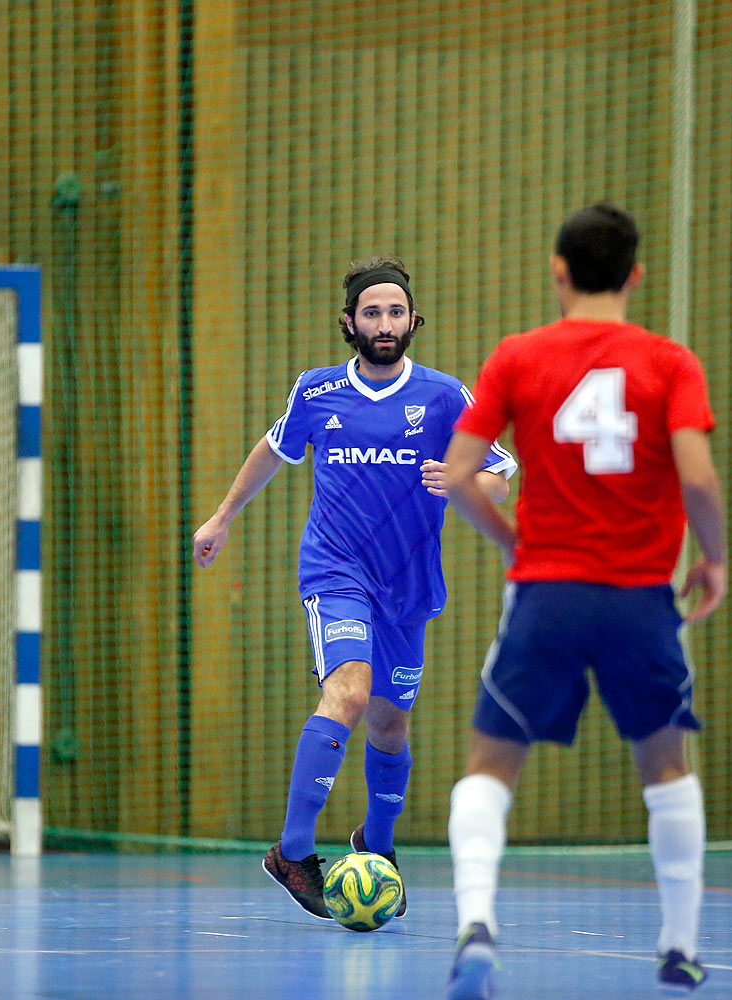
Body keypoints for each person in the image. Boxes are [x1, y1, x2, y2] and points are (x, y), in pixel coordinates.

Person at [439, 204, 726, 998]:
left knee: (490, 765)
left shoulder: (519, 357)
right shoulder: (670, 362)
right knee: (666, 766)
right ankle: (679, 946)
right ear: (636, 274)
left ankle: (476, 925)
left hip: (546, 594)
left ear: (557, 271)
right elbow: (697, 477)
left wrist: (510, 540)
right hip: (639, 599)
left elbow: (460, 474)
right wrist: (714, 558)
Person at [192, 257, 515, 920]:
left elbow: (499, 475)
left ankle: (378, 845)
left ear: (413, 320)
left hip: (409, 584)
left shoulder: (445, 396)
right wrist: (223, 515)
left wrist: (462, 483)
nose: (385, 323)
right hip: (336, 571)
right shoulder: (316, 393)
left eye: (396, 311)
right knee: (348, 691)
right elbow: (273, 450)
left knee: (389, 724)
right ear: (350, 323)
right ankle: (292, 851)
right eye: (372, 312)